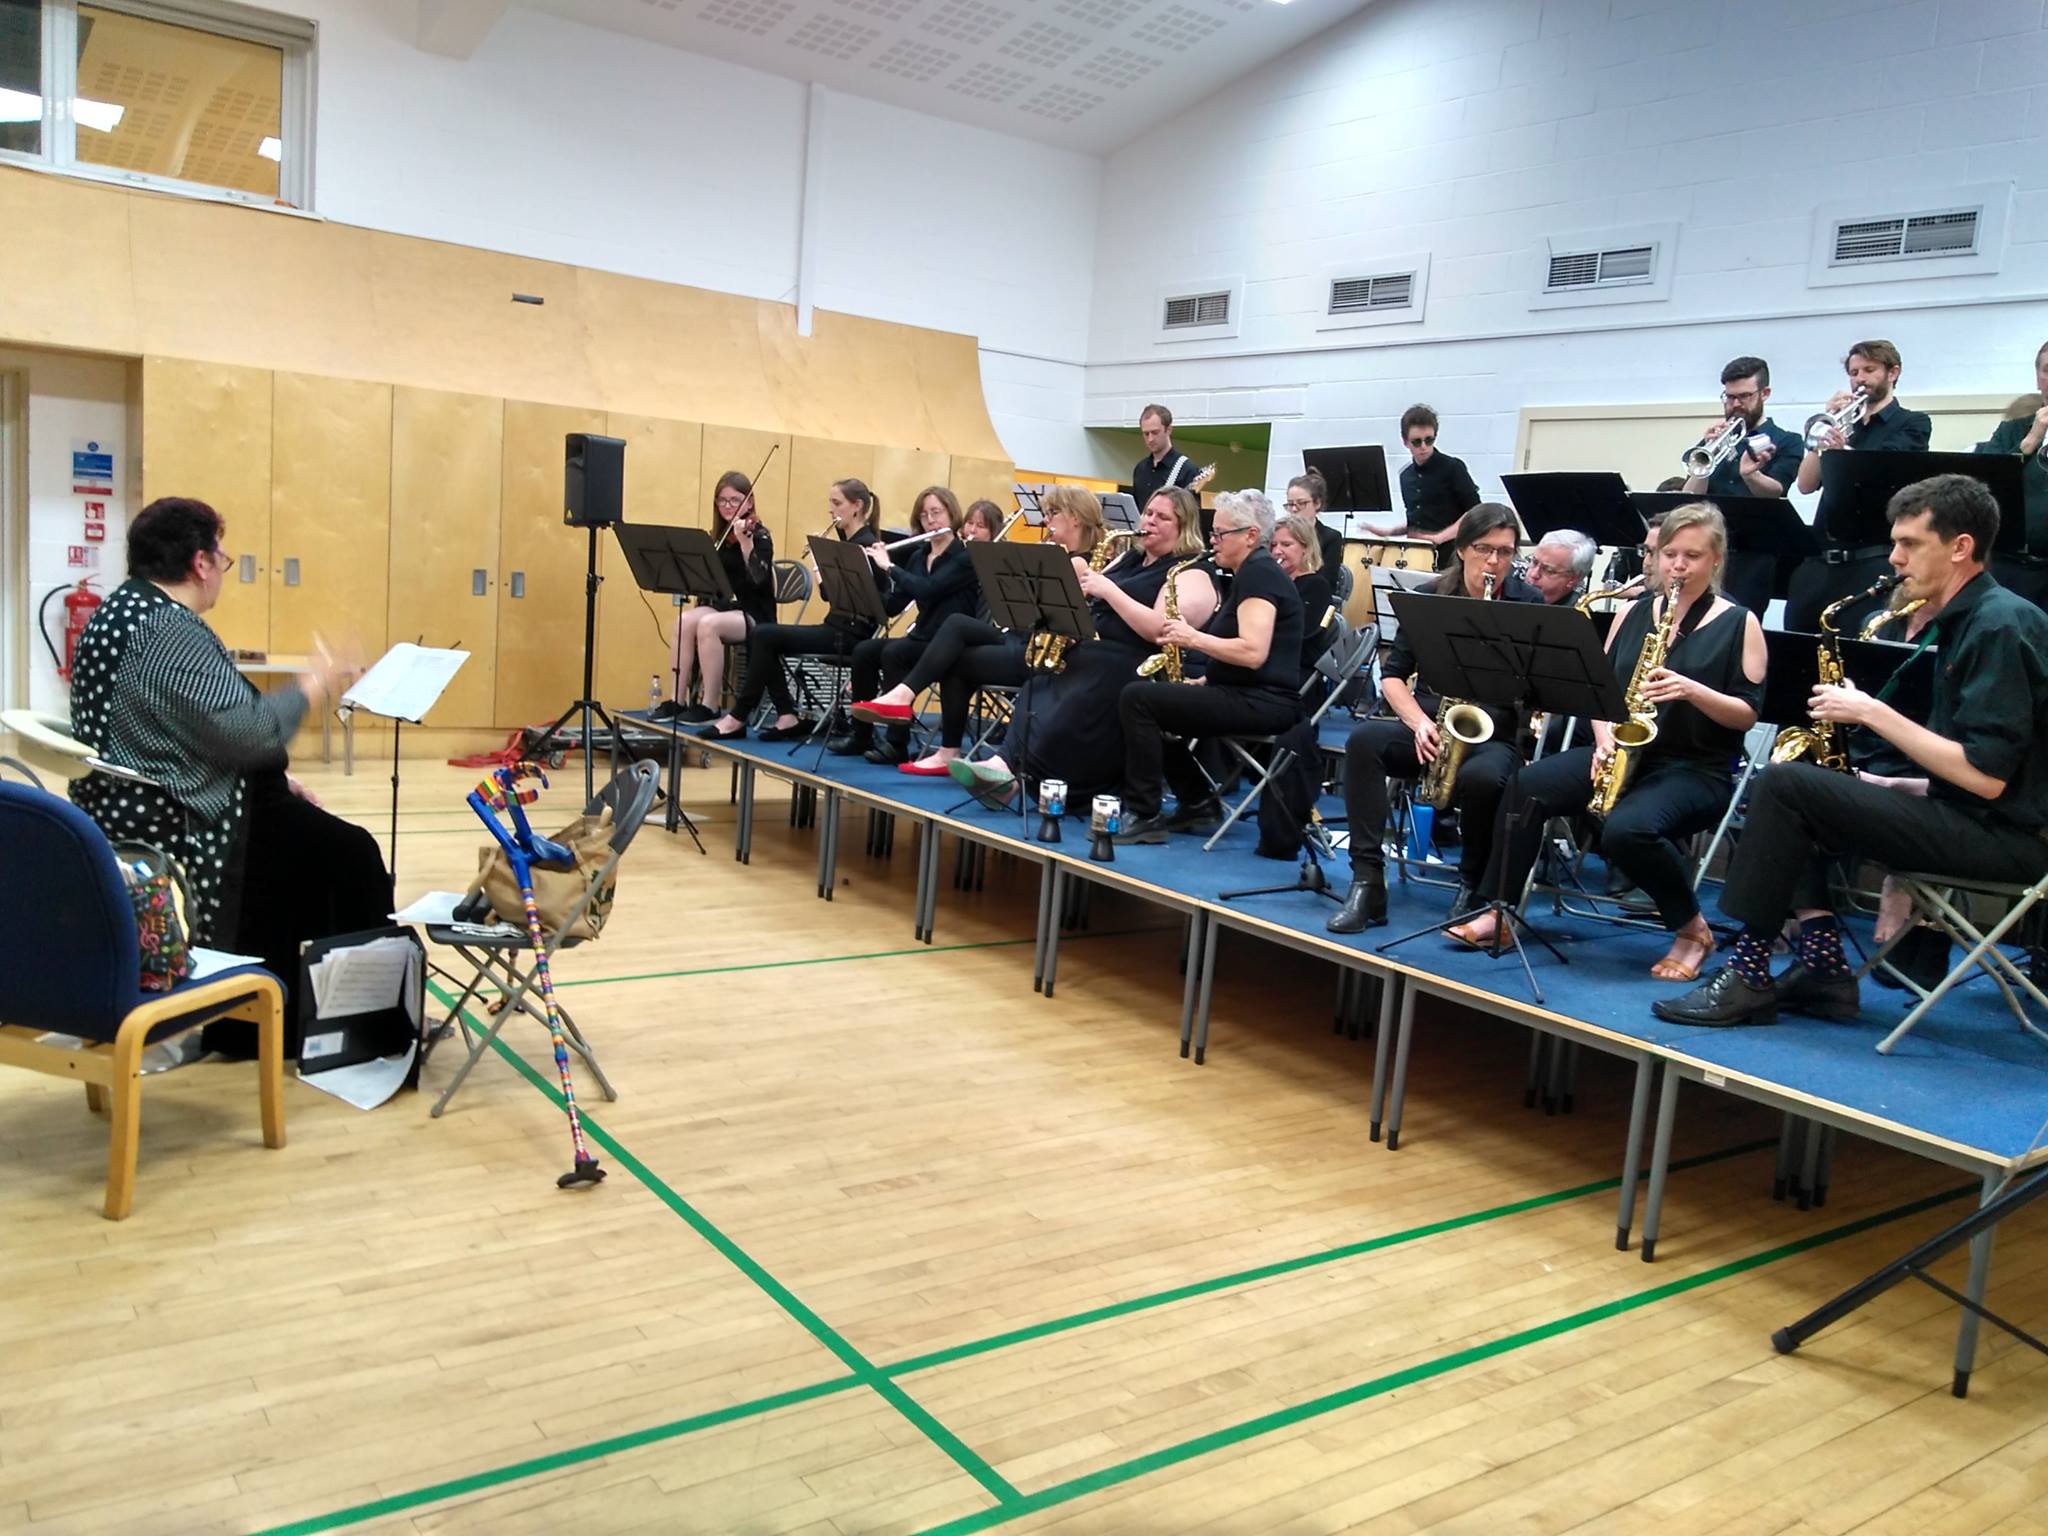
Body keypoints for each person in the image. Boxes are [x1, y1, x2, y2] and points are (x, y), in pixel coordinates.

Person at [1656, 474, 2048, 1026]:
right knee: (1802, 775)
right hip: (1981, 818)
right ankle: (1823, 967)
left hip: (2011, 841)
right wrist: (1889, 785)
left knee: (1784, 786)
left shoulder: (2000, 625)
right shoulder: (1971, 621)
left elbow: (1988, 779)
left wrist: (1871, 712)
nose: (1894, 558)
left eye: (1910, 544)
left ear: (1961, 547)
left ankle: (1748, 972)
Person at [67, 496, 390, 1048]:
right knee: (350, 853)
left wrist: (277, 778)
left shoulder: (120, 611)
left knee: (322, 840)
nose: (222, 571)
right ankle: (350, 1023)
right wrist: (317, 681)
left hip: (129, 798)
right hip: (182, 815)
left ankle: (310, 1014)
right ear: (200, 562)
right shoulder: (165, 629)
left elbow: (169, 727)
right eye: (223, 559)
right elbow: (251, 735)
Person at [1449, 503, 1767, 983]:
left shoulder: (1740, 623)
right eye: (1669, 554)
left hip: (1694, 768)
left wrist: (1691, 690)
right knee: (1525, 785)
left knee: (1625, 830)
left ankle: (1690, 926)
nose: (1678, 566)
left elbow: (1747, 715)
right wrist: (1603, 741)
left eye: (1692, 556)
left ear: (1716, 559)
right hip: (1621, 751)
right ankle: (1501, 909)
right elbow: (1598, 694)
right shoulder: (1634, 613)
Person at [1328, 504, 1541, 933]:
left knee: (1484, 778)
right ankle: (1368, 881)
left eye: (1505, 552)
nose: (1495, 562)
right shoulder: (1429, 598)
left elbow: (1540, 689)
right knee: (1364, 743)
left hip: (1496, 733)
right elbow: (1392, 677)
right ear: (1462, 549)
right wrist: (1417, 723)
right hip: (1431, 723)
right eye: (1485, 549)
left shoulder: (1527, 602)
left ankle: (1472, 883)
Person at [950, 486, 1216, 807]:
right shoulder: (1131, 558)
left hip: (1137, 663)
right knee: (1040, 681)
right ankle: (1004, 767)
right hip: (1094, 653)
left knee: (1080, 686)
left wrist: (1107, 589)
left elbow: (1161, 630)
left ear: (1183, 526)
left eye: (1163, 517)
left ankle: (1048, 780)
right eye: (1149, 513)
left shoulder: (1189, 569)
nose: (1151, 520)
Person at [855, 487, 1105, 774]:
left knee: (956, 657)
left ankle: (935, 735)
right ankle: (910, 704)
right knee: (958, 629)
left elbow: (1041, 615)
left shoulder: (1077, 562)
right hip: (1022, 637)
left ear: (1074, 518)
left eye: (1053, 514)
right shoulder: (1064, 555)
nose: (1047, 520)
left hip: (1040, 652)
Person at [1114, 495, 1305, 843]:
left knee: (1138, 699)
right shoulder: (1250, 571)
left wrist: (1193, 638)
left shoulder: (1259, 575)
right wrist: (1206, 677)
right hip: (1245, 692)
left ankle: (1144, 814)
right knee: (1157, 698)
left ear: (1249, 535)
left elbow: (1253, 652)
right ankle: (1197, 802)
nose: (1213, 541)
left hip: (1264, 703)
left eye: (1220, 534)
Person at [700, 477, 885, 741]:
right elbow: (831, 597)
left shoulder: (865, 544)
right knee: (765, 635)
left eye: (836, 503)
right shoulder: (846, 540)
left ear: (856, 506)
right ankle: (786, 716)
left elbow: (872, 601)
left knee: (764, 634)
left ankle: (738, 717)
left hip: (853, 633)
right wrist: (822, 570)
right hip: (835, 626)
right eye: (830, 503)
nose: (831, 510)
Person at [1786, 340, 1932, 633]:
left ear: (1893, 373)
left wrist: (1843, 450)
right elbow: (1805, 484)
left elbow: (1885, 477)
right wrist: (1821, 435)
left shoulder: (1912, 423)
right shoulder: (1844, 424)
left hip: (1872, 562)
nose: (1860, 379)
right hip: (1820, 562)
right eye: (1854, 372)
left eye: (1869, 370)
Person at [828, 486, 982, 764]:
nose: (931, 520)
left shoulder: (964, 557)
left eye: (937, 512)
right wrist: (863, 580)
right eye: (924, 515)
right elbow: (894, 605)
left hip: (948, 646)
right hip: (922, 636)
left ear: (952, 514)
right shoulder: (918, 556)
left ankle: (897, 743)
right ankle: (861, 734)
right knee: (864, 651)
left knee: (893, 653)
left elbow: (928, 589)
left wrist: (890, 567)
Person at [1680, 356, 1807, 617]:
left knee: (1736, 624)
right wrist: (1707, 451)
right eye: (1729, 397)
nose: (1736, 405)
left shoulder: (1787, 441)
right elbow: (1689, 496)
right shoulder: (1716, 439)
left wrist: (1751, 475)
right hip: (1708, 548)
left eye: (1745, 396)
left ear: (1765, 393)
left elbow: (1777, 491)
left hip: (1754, 556)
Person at [652, 469, 774, 723]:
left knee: (708, 625)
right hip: (724, 607)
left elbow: (759, 578)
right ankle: (677, 699)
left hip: (753, 613)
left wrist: (745, 544)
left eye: (734, 500)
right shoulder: (717, 537)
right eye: (722, 500)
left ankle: (711, 704)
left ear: (749, 502)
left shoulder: (760, 536)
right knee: (684, 621)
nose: (727, 506)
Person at [1974, 341, 2048, 607]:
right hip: (2010, 570)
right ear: (2038, 379)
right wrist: (2029, 441)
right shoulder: (2010, 431)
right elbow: (1982, 488)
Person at [1370, 405, 1481, 570]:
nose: (1423, 446)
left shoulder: (1453, 467)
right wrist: (1390, 532)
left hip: (1453, 557)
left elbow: (1475, 512)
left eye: (1429, 440)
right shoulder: (1405, 476)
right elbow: (1417, 522)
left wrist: (1440, 537)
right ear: (1405, 442)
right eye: (1416, 441)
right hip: (1418, 556)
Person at [1270, 505, 1335, 679]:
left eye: (1286, 544)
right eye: (1273, 545)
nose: (1277, 551)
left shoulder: (1316, 586)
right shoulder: (1273, 582)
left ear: (1305, 548)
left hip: (1293, 671)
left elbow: (1301, 636)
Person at [1132, 404, 1205, 515]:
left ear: (1169, 430)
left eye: (1155, 432)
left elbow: (1192, 519)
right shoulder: (1140, 469)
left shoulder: (1187, 469)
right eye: (1146, 434)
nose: (1150, 439)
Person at [1282, 472, 1346, 577]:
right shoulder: (1281, 534)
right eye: (1290, 504)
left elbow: (1327, 581)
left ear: (1317, 503)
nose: (1294, 509)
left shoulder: (1331, 538)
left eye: (1301, 503)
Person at [1527, 529, 1597, 606]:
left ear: (1572, 579)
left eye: (1548, 570)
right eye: (1534, 562)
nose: (1534, 574)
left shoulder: (1577, 616)